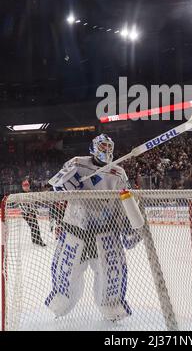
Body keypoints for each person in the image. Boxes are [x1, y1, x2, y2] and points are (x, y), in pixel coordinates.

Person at [46, 134, 142, 323]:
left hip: (105, 231)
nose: (106, 150)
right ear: (94, 147)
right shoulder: (76, 163)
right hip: (76, 230)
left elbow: (126, 199)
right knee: (66, 270)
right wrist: (63, 185)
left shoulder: (118, 172)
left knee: (110, 273)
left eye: (109, 146)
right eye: (103, 146)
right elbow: (56, 184)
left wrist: (129, 225)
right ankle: (61, 303)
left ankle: (111, 307)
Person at [20, 176, 46, 247]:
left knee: (35, 226)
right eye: (25, 186)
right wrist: (28, 214)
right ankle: (38, 241)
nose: (26, 187)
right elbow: (22, 206)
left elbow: (33, 203)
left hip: (32, 212)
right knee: (34, 226)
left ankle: (35, 239)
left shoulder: (31, 192)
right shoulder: (21, 195)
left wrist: (34, 211)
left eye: (27, 185)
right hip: (26, 214)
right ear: (22, 187)